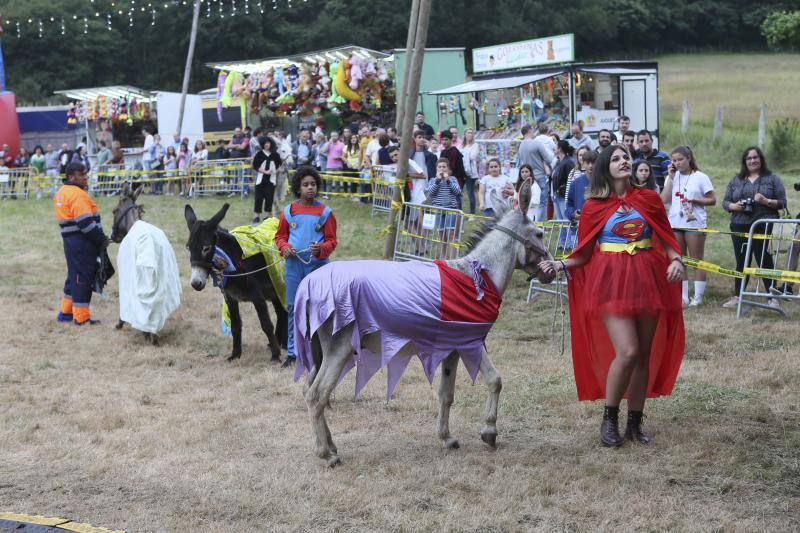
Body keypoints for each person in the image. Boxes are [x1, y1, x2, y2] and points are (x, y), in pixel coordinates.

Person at [538, 145, 686, 448]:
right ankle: (609, 418)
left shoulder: (648, 199)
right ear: (606, 167)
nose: (624, 162)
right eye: (616, 159)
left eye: (626, 157)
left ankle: (634, 422)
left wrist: (676, 260)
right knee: (629, 351)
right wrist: (558, 263)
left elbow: (667, 238)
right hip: (610, 284)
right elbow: (582, 254)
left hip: (648, 280)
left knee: (643, 355)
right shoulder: (593, 207)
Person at [275, 166, 338, 368]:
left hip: (318, 268)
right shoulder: (288, 212)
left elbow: (332, 241)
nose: (310, 188)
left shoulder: (325, 213)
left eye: (313, 184)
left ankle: (321, 348)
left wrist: (320, 249)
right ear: (298, 188)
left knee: (319, 308)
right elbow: (280, 237)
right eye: (305, 185)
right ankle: (293, 352)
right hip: (294, 268)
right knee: (294, 307)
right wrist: (284, 247)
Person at [721, 146, 787, 310]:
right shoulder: (736, 180)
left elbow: (782, 202)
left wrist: (766, 201)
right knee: (741, 260)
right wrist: (734, 206)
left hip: (763, 225)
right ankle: (738, 295)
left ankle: (772, 297)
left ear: (761, 159)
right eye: (749, 158)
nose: (752, 161)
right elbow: (725, 202)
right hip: (739, 224)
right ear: (745, 161)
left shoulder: (772, 178)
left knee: (764, 259)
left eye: (755, 157)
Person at [53, 162, 112, 325]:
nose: (85, 178)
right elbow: (85, 223)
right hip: (82, 242)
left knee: (73, 275)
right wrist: (102, 240)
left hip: (70, 241)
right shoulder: (77, 195)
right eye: (82, 175)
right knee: (82, 278)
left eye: (85, 174)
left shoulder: (61, 192)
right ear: (71, 176)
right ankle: (81, 318)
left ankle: (65, 313)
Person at [660, 146, 716, 307]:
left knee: (696, 259)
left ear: (688, 158)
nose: (677, 163)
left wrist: (695, 201)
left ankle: (697, 296)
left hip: (694, 224)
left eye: (680, 160)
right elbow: (664, 199)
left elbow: (712, 200)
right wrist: (670, 178)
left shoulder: (700, 177)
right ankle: (683, 296)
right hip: (675, 223)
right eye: (674, 160)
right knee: (680, 259)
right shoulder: (672, 176)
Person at [517, 124, 555, 221]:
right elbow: (548, 159)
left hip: (527, 177)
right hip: (539, 176)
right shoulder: (536, 143)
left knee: (529, 202)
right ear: (530, 131)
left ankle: (529, 222)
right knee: (542, 202)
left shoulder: (521, 145)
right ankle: (539, 224)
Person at [251, 136, 282, 225]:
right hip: (260, 180)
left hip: (271, 180)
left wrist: (276, 170)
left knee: (269, 197)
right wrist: (265, 171)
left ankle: (268, 215)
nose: (267, 145)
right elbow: (255, 166)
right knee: (258, 198)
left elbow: (279, 164)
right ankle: (256, 216)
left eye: (268, 143)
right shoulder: (259, 154)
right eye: (265, 143)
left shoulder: (275, 154)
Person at [565, 150, 596, 223]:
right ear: (583, 163)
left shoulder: (605, 183)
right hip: (580, 227)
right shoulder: (575, 183)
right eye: (588, 163)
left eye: (593, 162)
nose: (590, 166)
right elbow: (569, 205)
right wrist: (573, 214)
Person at [550, 140, 576, 225]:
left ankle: (567, 238)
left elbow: (572, 178)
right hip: (556, 195)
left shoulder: (568, 162)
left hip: (563, 196)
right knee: (559, 220)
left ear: (560, 149)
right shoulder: (558, 162)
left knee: (565, 220)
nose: (554, 148)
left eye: (556, 146)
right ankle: (562, 238)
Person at [459, 128, 480, 214]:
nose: (470, 134)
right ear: (465, 134)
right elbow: (458, 156)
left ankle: (472, 213)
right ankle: (459, 211)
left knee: (470, 192)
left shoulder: (475, 145)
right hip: (461, 171)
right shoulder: (461, 146)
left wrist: (463, 155)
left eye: (471, 133)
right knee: (458, 191)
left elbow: (472, 157)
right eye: (468, 132)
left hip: (471, 172)